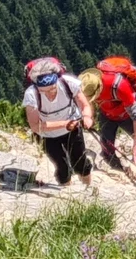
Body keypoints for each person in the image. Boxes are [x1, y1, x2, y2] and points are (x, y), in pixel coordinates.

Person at [23, 56, 93, 187]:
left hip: (72, 128)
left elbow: (85, 106)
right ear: (37, 87)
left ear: (57, 81)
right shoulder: (31, 95)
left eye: (52, 89)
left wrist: (87, 117)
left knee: (80, 162)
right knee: (62, 165)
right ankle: (67, 192)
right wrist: (64, 124)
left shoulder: (68, 83)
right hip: (48, 135)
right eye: (44, 91)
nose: (49, 94)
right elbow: (35, 126)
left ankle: (89, 190)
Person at [94, 54, 136, 171]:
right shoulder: (86, 85)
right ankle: (119, 172)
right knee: (107, 149)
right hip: (107, 114)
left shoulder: (119, 86)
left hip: (126, 115)